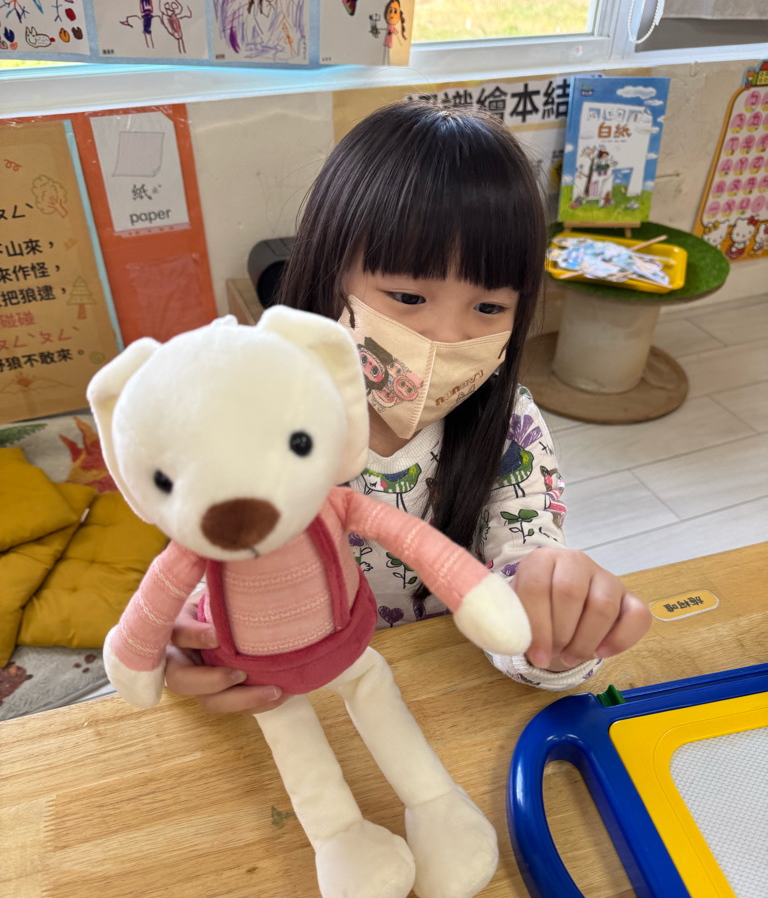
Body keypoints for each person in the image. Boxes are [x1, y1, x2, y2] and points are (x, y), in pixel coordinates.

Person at [165, 100, 650, 713]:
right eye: (408, 296)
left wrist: (554, 627)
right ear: (329, 274)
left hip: (434, 692)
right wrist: (189, 640)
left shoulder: (512, 430)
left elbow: (521, 573)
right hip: (294, 694)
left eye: (490, 308)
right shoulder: (252, 415)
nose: (447, 336)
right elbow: (198, 570)